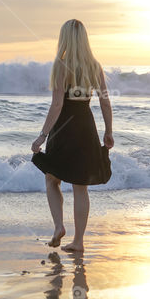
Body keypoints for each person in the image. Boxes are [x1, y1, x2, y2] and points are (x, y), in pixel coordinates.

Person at [31, 19, 114, 252]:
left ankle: (59, 226)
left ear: (65, 39)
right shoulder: (94, 66)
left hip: (63, 129)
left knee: (51, 178)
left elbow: (57, 105)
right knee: (81, 186)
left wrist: (42, 136)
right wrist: (108, 131)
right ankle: (78, 242)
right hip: (86, 127)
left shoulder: (61, 65)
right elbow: (105, 102)